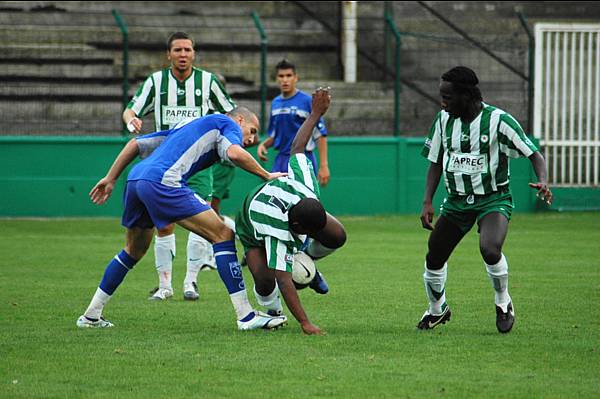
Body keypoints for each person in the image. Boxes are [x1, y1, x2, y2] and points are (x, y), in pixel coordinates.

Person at [77, 107, 288, 331]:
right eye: (252, 131)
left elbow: (135, 144)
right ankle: (246, 316)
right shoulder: (226, 124)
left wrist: (111, 178)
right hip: (163, 181)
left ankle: (91, 315)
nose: (252, 139)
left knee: (133, 251)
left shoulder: (185, 127)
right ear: (239, 119)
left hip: (136, 179)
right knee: (223, 234)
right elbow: (235, 153)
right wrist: (266, 175)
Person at [417, 66, 553, 333]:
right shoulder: (443, 120)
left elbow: (534, 154)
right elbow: (435, 161)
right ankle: (437, 309)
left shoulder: (499, 120)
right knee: (434, 257)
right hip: (456, 201)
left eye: (448, 97)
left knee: (490, 249)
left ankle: (503, 302)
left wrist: (544, 180)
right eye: (441, 96)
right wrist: (427, 201)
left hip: (493, 199)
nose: (442, 102)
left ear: (467, 95)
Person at [122, 31, 234, 301]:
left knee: (203, 215)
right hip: (164, 163)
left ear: (194, 53)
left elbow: (230, 113)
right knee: (164, 225)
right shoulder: (155, 82)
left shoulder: (208, 82)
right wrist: (131, 122)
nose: (183, 55)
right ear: (168, 54)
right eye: (178, 50)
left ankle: (191, 282)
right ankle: (165, 286)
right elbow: (130, 109)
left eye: (187, 50)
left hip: (198, 162)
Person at [237, 88, 347, 335]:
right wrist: (306, 323)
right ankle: (273, 312)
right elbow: (284, 280)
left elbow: (297, 148)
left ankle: (307, 259)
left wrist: (315, 113)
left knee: (337, 234)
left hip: (289, 202)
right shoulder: (278, 228)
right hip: (250, 219)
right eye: (307, 232)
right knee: (266, 282)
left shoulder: (308, 186)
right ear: (295, 227)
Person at [257, 59, 331, 294]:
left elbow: (320, 135)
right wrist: (264, 144)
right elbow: (276, 133)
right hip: (281, 159)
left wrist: (324, 165)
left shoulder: (306, 102)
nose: (285, 80)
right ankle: (281, 266)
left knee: (304, 212)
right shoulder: (276, 102)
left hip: (302, 160)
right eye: (281, 76)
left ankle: (308, 266)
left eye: (289, 75)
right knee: (280, 212)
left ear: (296, 77)